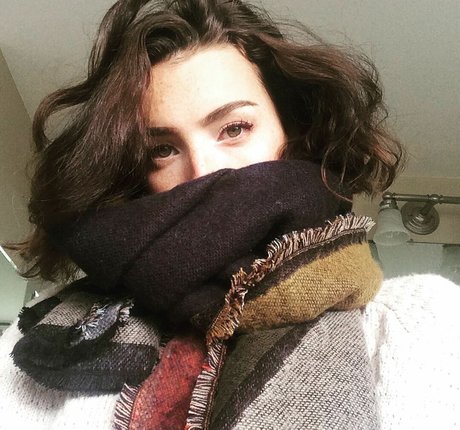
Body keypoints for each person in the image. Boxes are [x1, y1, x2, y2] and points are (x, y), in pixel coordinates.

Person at [1, 0, 459, 429]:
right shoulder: (61, 330)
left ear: (292, 131)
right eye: (161, 150)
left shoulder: (422, 319)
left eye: (234, 128)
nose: (204, 173)